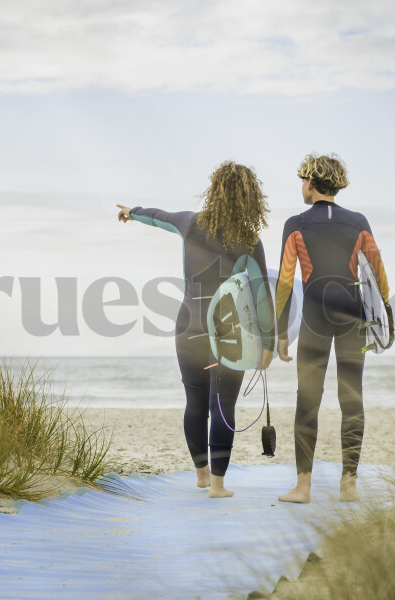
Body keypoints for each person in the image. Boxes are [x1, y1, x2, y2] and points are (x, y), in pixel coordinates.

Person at [116, 162, 275, 498]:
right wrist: (268, 344)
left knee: (195, 403)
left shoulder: (191, 223)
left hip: (188, 324)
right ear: (251, 198)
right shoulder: (249, 239)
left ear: (214, 190)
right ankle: (218, 485)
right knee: (223, 405)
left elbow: (159, 216)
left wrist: (133, 211)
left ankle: (201, 475)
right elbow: (261, 296)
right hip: (229, 330)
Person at [274, 154, 389, 503]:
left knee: (307, 401)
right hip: (354, 319)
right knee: (351, 398)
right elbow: (380, 274)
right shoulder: (358, 222)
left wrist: (280, 332)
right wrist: (382, 314)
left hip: (315, 319)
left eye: (302, 181)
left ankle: (303, 487)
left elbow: (284, 281)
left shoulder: (295, 224)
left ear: (310, 183)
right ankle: (348, 484)